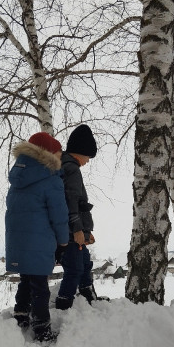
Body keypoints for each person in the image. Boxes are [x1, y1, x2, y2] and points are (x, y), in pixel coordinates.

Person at [5, 132, 69, 342]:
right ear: (49, 155)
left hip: (18, 240)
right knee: (40, 286)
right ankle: (42, 330)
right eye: (59, 154)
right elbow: (59, 215)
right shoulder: (51, 179)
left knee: (26, 279)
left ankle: (21, 314)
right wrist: (63, 240)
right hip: (40, 241)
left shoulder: (17, 179)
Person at [55, 124, 104, 309]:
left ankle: (89, 299)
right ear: (80, 152)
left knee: (84, 264)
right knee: (75, 268)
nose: (88, 161)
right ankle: (63, 305)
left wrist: (84, 231)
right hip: (71, 232)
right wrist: (77, 229)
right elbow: (71, 201)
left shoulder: (68, 166)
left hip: (75, 231)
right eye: (88, 157)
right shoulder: (71, 169)